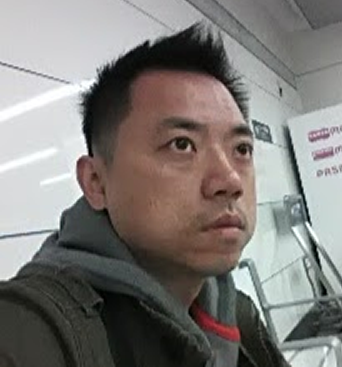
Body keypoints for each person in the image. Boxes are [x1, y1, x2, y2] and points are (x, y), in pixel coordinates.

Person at [0, 23, 289, 366]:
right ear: (96, 182)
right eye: (181, 144)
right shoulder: (31, 332)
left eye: (241, 149)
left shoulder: (235, 315)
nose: (230, 180)